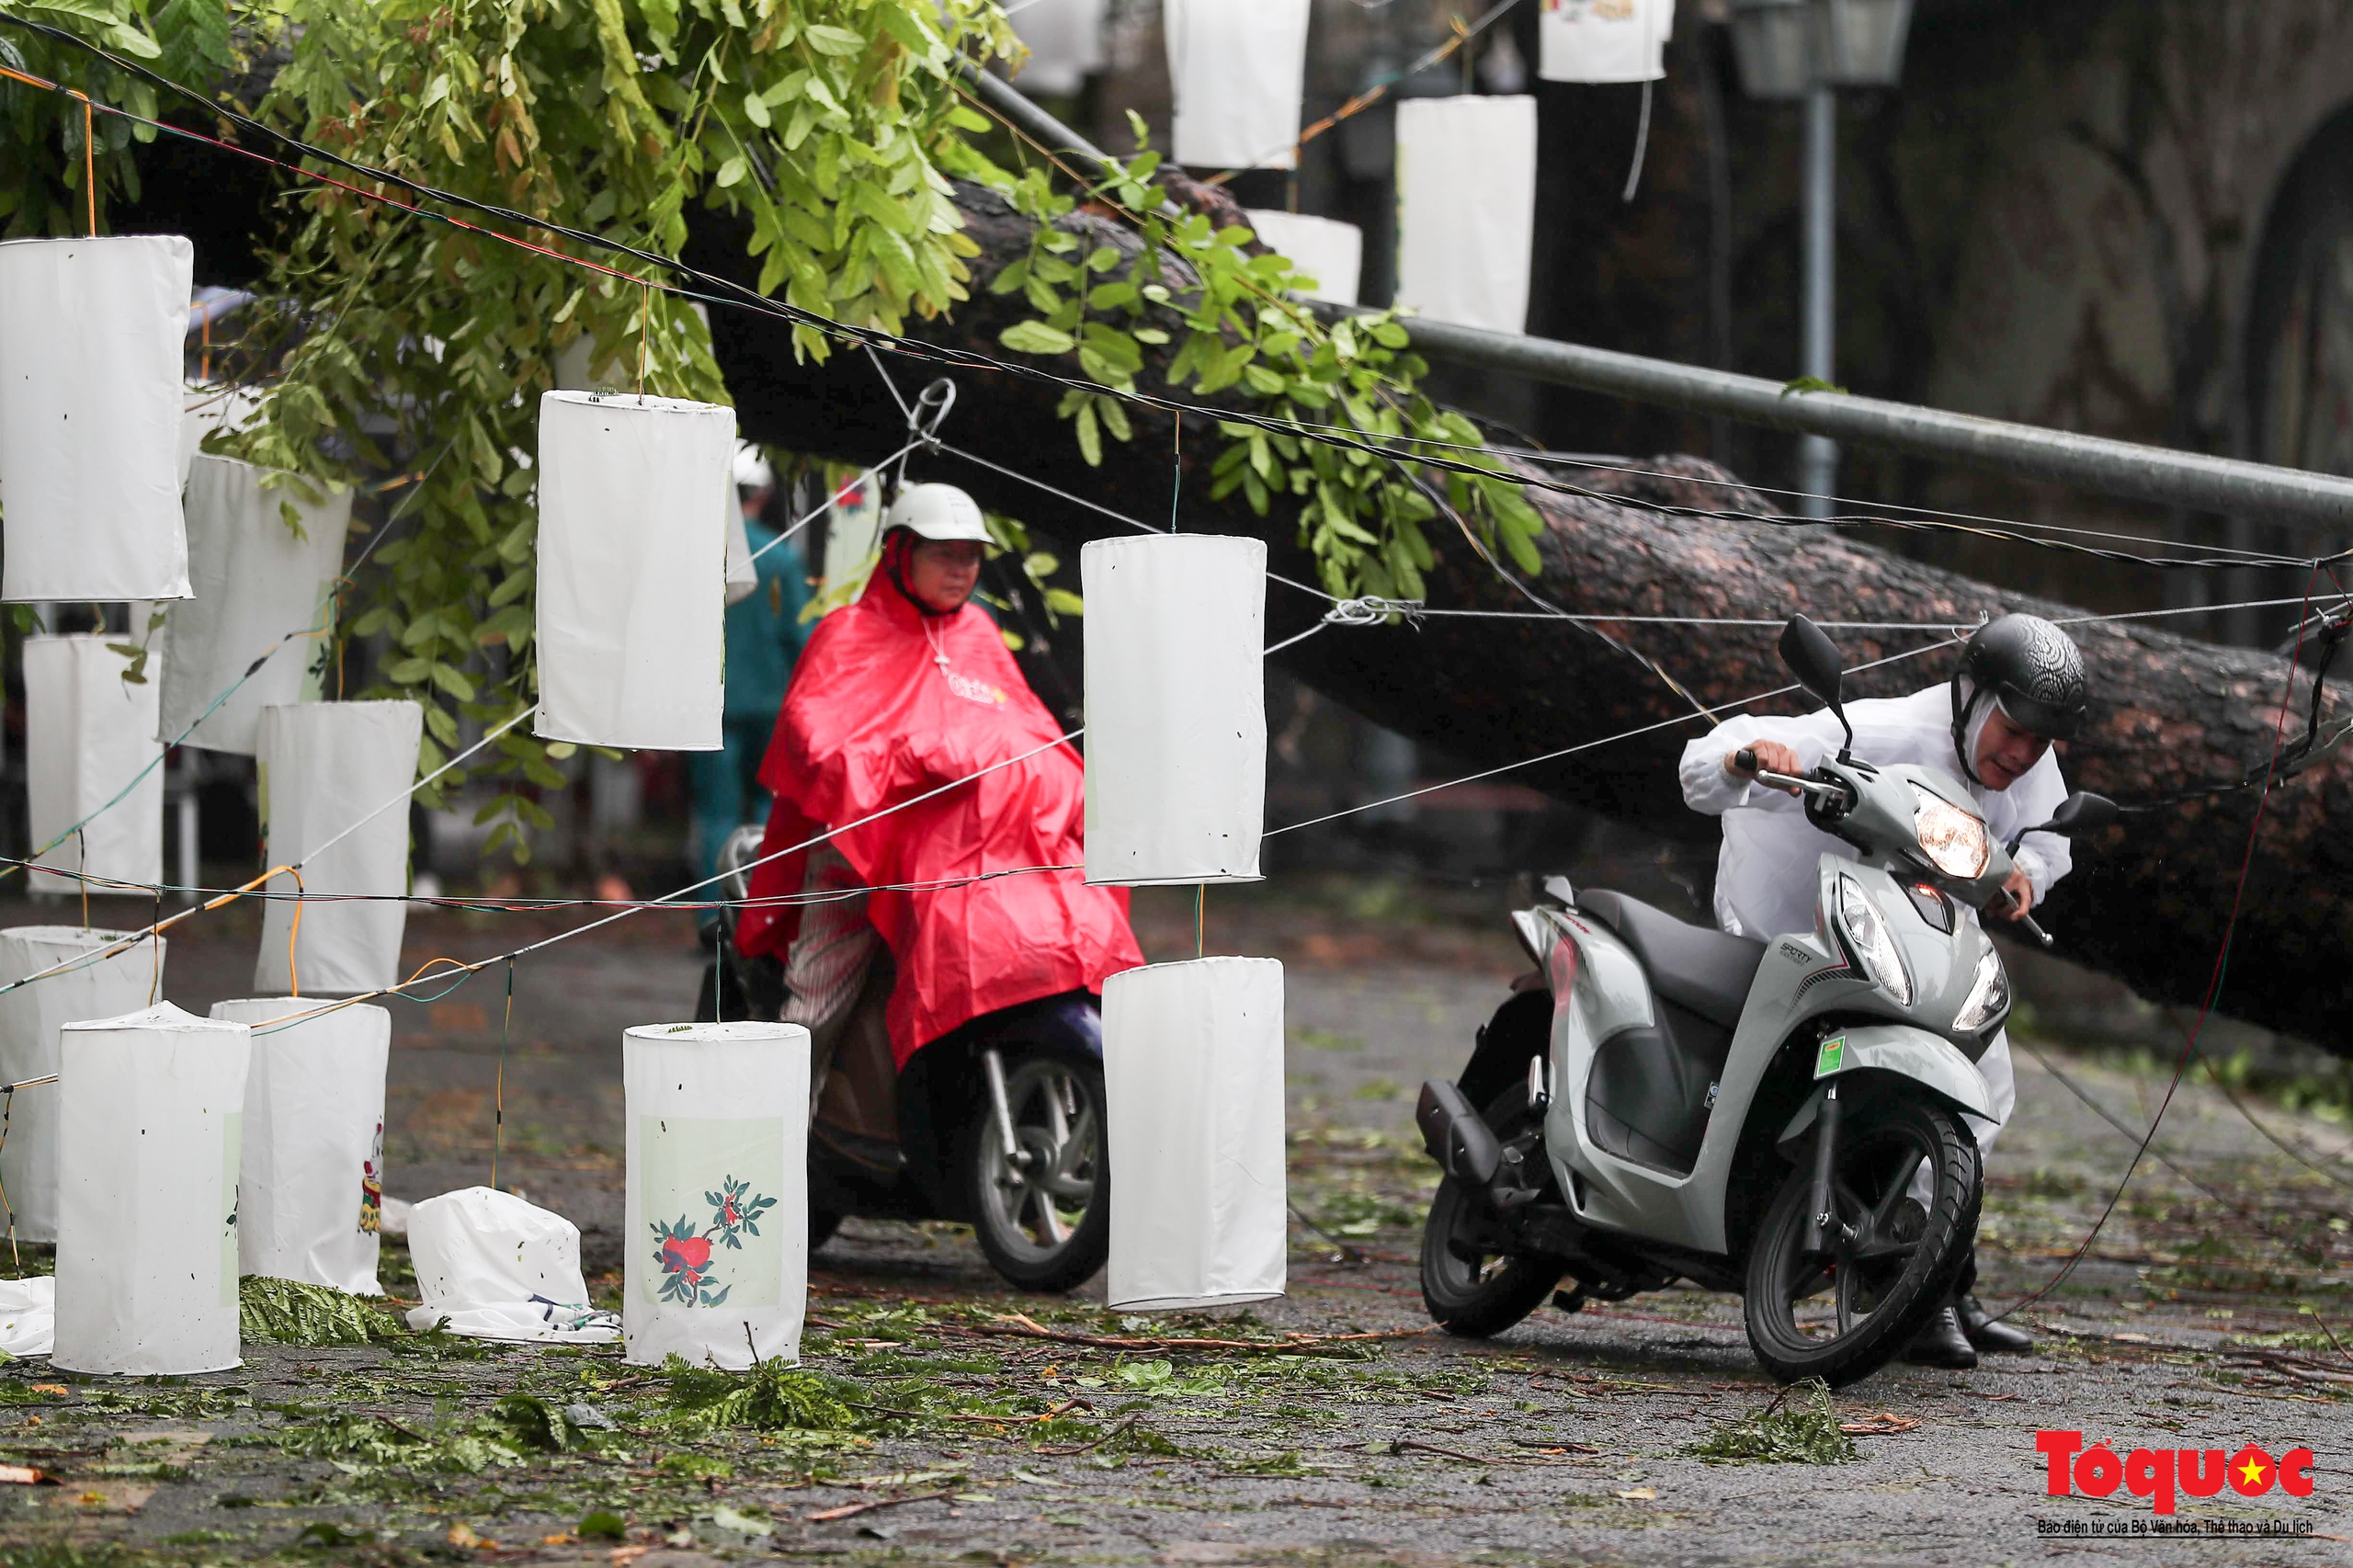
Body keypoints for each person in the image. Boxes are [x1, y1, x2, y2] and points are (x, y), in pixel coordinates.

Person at [1678, 613, 2089, 1370]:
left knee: (1986, 1083)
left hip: (1909, 939)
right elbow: (1702, 764)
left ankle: (1934, 1276)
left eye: (2041, 740)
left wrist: (2027, 874)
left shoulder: (2032, 759)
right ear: (1970, 694)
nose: (2022, 753)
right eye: (2012, 729)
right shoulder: (1880, 729)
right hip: (1786, 921)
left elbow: (2048, 839)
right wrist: (1745, 758)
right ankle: (1895, 1276)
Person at [733, 481, 1142, 1079]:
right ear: (899, 554)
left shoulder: (978, 633)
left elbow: (1030, 730)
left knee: (1068, 927)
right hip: (865, 847)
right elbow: (810, 736)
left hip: (979, 853)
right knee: (816, 1006)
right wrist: (902, 759)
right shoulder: (846, 632)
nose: (961, 570)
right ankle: (775, 1132)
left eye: (971, 556)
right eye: (943, 554)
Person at [688, 446, 811, 885]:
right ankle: (760, 912)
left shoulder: (699, 554)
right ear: (760, 495)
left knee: (715, 814)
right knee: (769, 808)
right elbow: (801, 638)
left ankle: (710, 915)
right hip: (771, 705)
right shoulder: (781, 557)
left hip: (711, 707)